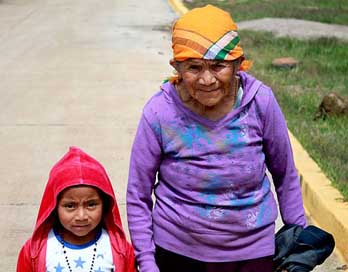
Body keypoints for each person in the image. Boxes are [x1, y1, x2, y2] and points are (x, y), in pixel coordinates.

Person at [127, 4, 306, 272]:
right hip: (177, 252)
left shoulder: (260, 103)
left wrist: (298, 239)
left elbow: (285, 174)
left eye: (218, 66)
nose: (207, 79)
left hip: (252, 253)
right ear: (176, 66)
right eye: (194, 67)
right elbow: (137, 194)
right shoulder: (159, 112)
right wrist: (146, 260)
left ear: (237, 64)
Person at [17, 147, 135, 272]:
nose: (81, 216)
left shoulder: (120, 250)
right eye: (70, 206)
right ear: (54, 207)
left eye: (91, 204)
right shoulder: (34, 252)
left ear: (105, 204)